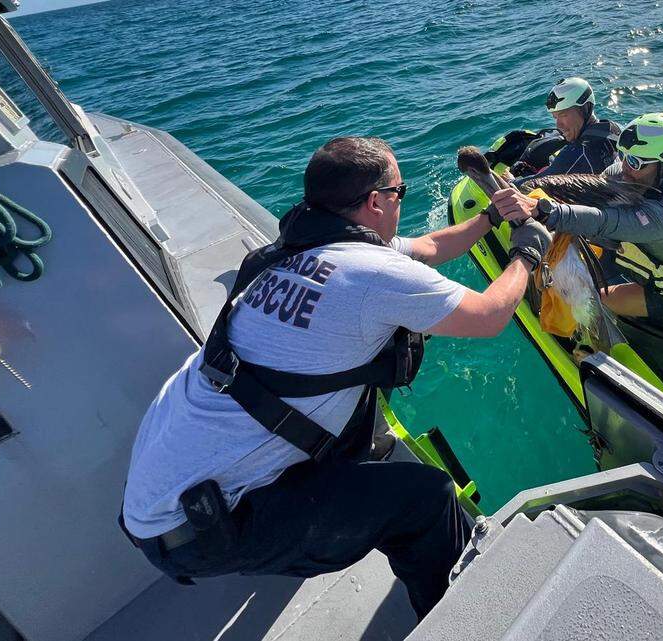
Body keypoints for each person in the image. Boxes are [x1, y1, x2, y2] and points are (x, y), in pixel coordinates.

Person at [120, 136, 550, 619]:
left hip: (158, 503)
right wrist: (527, 255)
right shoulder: (369, 272)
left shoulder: (293, 253)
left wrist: (491, 217)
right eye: (399, 192)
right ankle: (459, 623)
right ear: (375, 202)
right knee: (427, 501)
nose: (400, 203)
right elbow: (489, 316)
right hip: (200, 530)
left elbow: (427, 247)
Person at [492, 113, 663, 330]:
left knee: (586, 301)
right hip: (659, 263)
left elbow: (604, 221)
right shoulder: (640, 178)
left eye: (637, 162)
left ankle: (595, 349)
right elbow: (596, 186)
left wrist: (543, 211)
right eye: (624, 156)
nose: (626, 167)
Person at [516, 77, 620, 178]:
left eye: (563, 115)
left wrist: (510, 178)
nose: (558, 125)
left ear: (586, 108)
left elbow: (527, 185)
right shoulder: (613, 128)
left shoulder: (577, 154)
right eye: (555, 117)